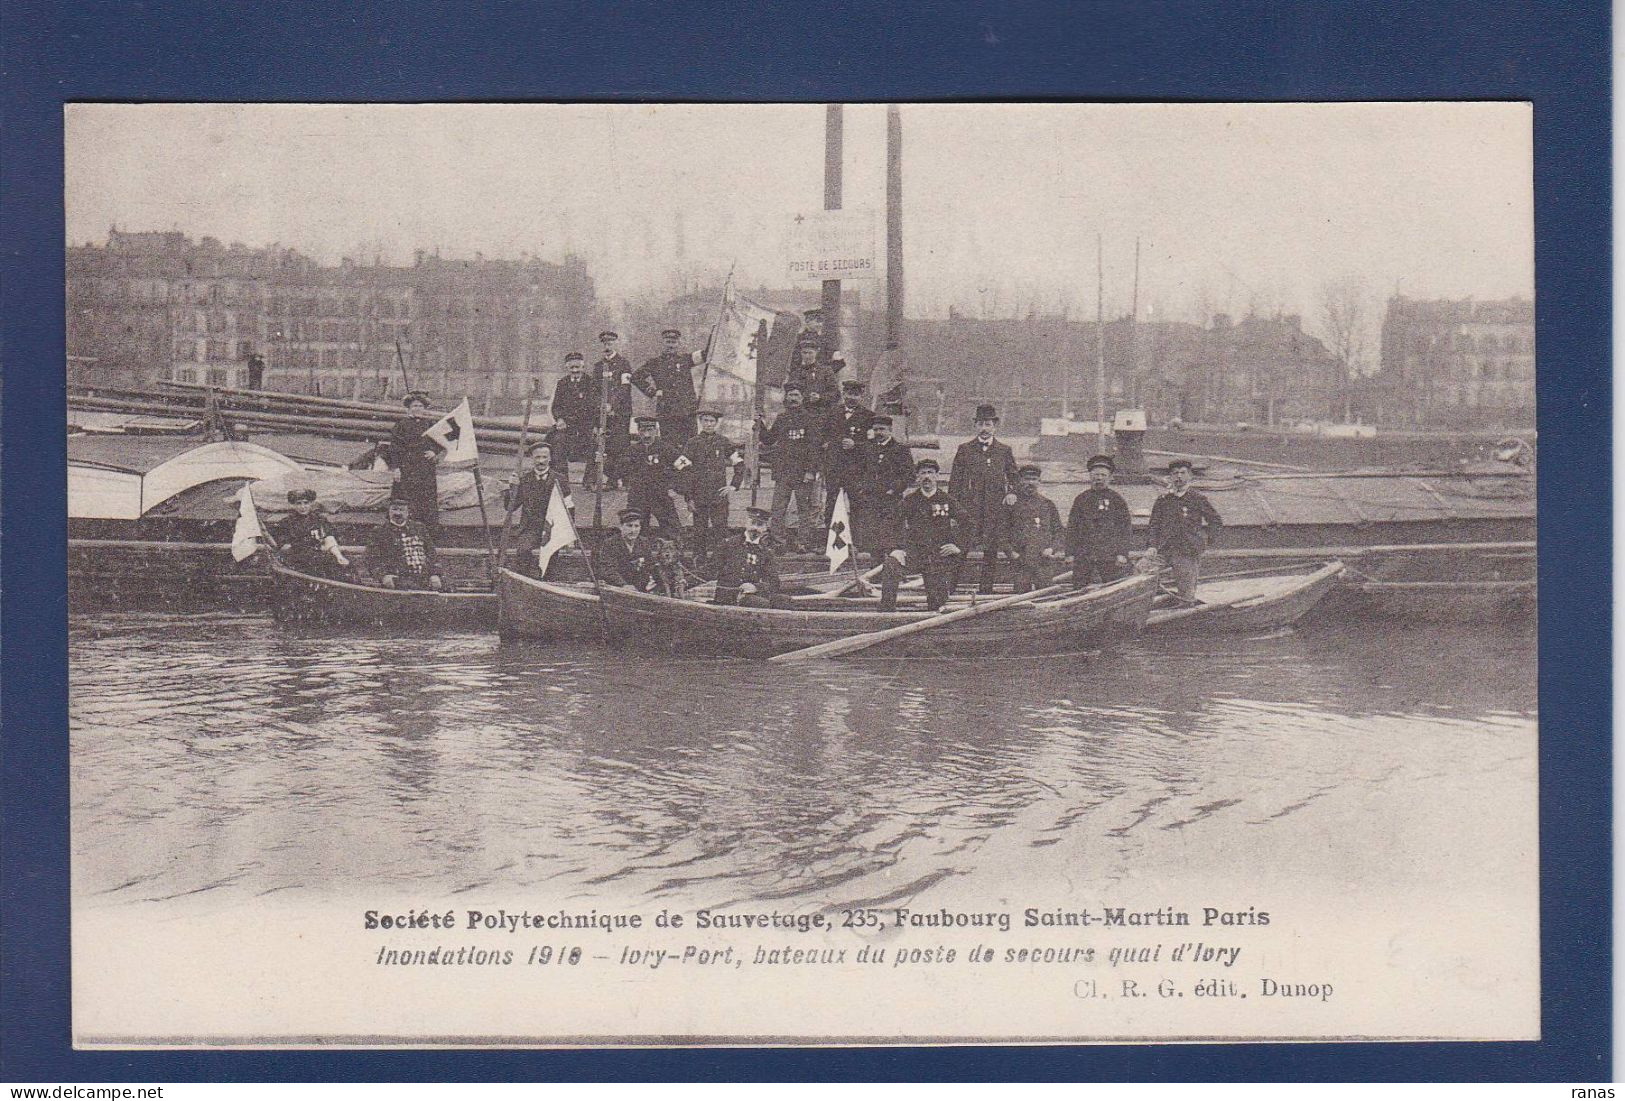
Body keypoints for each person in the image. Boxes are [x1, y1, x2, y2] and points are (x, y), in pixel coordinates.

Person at [948, 403, 1019, 594]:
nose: (984, 429)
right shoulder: (965, 449)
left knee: (990, 551)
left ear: (995, 426)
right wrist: (953, 509)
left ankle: (985, 591)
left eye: (988, 424)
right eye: (980, 424)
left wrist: (1011, 493)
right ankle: (949, 589)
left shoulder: (1004, 450)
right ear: (975, 426)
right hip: (969, 508)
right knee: (961, 548)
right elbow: (955, 481)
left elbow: (1014, 477)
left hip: (994, 509)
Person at [880, 458, 962, 612]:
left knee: (938, 605)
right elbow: (888, 524)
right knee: (891, 564)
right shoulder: (910, 500)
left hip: (939, 555)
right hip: (914, 553)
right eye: (923, 473)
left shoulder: (947, 500)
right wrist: (894, 549)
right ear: (917, 477)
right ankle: (886, 613)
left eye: (930, 473)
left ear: (937, 476)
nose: (926, 477)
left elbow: (968, 524)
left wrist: (957, 546)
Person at [756, 381, 822, 551]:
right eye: (790, 395)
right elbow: (768, 439)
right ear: (786, 397)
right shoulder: (782, 418)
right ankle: (779, 542)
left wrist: (810, 471)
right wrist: (760, 424)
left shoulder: (810, 419)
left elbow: (815, 447)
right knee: (778, 509)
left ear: (802, 398)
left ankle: (803, 543)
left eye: (796, 396)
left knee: (804, 510)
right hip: (783, 472)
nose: (793, 399)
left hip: (802, 473)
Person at [674, 408, 744, 566]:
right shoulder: (693, 443)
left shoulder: (723, 442)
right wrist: (688, 497)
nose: (709, 424)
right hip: (699, 496)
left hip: (719, 495)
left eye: (712, 421)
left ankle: (721, 561)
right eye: (705, 421)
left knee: (720, 530)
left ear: (716, 423)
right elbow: (681, 468)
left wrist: (733, 486)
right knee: (699, 531)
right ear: (700, 422)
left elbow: (739, 464)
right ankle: (699, 560)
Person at [1148, 458, 1224, 605]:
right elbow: (1153, 525)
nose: (1179, 477)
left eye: (1183, 473)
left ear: (1190, 476)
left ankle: (1185, 612)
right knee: (1141, 570)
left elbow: (1215, 521)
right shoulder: (1163, 500)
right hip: (1164, 550)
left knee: (1186, 593)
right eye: (1175, 473)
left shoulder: (1197, 499)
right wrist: (1152, 545)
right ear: (1170, 477)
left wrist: (1205, 540)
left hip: (1187, 551)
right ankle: (1152, 604)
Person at [502, 442, 575, 578]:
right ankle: (527, 579)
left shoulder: (560, 479)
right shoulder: (524, 480)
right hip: (530, 528)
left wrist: (570, 537)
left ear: (550, 458)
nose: (541, 461)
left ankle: (547, 582)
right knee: (523, 551)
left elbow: (569, 507)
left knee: (552, 554)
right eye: (537, 457)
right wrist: (512, 487)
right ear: (531, 458)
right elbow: (510, 507)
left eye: (544, 457)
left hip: (552, 528)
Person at [852, 413, 915, 558]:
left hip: (891, 500)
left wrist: (894, 489)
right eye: (875, 430)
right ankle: (874, 572)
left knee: (892, 539)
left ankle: (892, 572)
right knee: (873, 541)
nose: (878, 433)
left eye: (882, 429)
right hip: (870, 500)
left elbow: (909, 474)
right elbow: (857, 471)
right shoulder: (867, 448)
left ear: (890, 430)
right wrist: (861, 488)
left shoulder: (901, 449)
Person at [1067, 454, 1133, 588]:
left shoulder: (1117, 500)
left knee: (1113, 587)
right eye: (1096, 475)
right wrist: (1069, 553)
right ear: (1090, 476)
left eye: (1103, 475)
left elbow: (1125, 529)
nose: (1099, 479)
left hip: (1109, 554)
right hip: (1084, 553)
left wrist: (1122, 553)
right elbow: (1072, 528)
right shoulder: (1081, 499)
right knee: (1079, 587)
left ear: (1110, 478)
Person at [385, 390, 446, 535]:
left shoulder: (431, 424)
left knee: (426, 499)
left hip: (425, 468)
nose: (417, 408)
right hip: (407, 467)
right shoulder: (401, 425)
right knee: (406, 498)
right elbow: (394, 448)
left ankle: (427, 532)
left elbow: (443, 440)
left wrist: (434, 452)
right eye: (414, 406)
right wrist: (396, 468)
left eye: (420, 406)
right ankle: (403, 529)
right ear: (409, 408)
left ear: (424, 408)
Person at [631, 327, 705, 442]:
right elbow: (636, 377)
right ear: (663, 343)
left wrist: (714, 337)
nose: (671, 345)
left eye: (674, 342)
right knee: (669, 445)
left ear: (678, 343)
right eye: (668, 342)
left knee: (691, 443)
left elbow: (706, 354)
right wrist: (652, 392)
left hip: (687, 410)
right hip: (667, 411)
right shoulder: (655, 363)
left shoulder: (686, 359)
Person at [822, 378, 875, 527]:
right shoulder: (833, 413)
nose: (852, 397)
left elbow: (873, 445)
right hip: (834, 468)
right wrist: (828, 446)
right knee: (831, 502)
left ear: (861, 396)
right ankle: (829, 541)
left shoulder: (869, 416)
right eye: (849, 393)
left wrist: (856, 445)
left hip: (856, 469)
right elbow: (823, 435)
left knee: (857, 504)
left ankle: (856, 542)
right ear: (844, 394)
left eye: (855, 394)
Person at [624, 416, 684, 544]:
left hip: (660, 495)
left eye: (650, 430)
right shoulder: (632, 450)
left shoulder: (666, 449)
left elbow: (685, 468)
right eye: (643, 430)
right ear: (638, 431)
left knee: (672, 531)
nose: (646, 434)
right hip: (638, 496)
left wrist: (674, 487)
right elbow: (619, 470)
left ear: (656, 431)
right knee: (635, 531)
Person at [366, 496, 443, 591]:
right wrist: (383, 576)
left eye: (401, 510)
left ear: (408, 513)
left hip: (424, 579)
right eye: (394, 509)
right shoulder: (379, 531)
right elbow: (372, 559)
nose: (397, 513)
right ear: (389, 512)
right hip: (396, 580)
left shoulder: (419, 528)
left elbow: (431, 554)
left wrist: (435, 574)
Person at [1007, 464, 1064, 593]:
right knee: (1021, 599)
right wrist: (1011, 553)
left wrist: (1052, 548)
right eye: (1026, 479)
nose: (1030, 483)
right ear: (1020, 481)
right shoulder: (1012, 504)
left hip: (1043, 560)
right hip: (1021, 560)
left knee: (1046, 596)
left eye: (1033, 479)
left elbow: (1059, 531)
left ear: (1039, 482)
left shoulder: (1047, 504)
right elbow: (1002, 533)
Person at [713, 506, 784, 607]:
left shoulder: (766, 551)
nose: (755, 528)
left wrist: (755, 587)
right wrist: (686, 582)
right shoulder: (729, 544)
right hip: (728, 597)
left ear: (765, 528)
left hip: (752, 595)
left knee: (785, 600)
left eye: (759, 525)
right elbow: (710, 570)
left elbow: (774, 582)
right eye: (752, 523)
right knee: (763, 604)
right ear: (746, 523)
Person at [270, 488, 350, 576]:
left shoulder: (319, 519)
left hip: (317, 558)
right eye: (298, 503)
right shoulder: (286, 522)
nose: (302, 507)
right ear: (293, 505)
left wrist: (339, 556)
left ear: (311, 503)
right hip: (295, 561)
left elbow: (329, 538)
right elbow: (282, 546)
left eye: (306, 503)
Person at [550, 352, 599, 489]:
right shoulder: (562, 383)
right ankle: (562, 480)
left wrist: (595, 425)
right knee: (557, 442)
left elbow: (596, 407)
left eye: (578, 367)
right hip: (567, 426)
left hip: (586, 426)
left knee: (596, 444)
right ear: (567, 368)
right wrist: (559, 419)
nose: (575, 371)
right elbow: (556, 406)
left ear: (583, 367)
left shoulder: (591, 383)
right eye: (572, 368)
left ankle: (589, 481)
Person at [593, 330, 634, 489]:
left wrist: (612, 404)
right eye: (604, 343)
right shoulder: (598, 367)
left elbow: (624, 388)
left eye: (610, 343)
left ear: (616, 344)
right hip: (604, 412)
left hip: (620, 412)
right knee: (607, 446)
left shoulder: (624, 364)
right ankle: (611, 479)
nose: (607, 346)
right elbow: (595, 389)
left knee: (622, 445)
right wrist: (601, 405)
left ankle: (625, 479)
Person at [595, 508, 661, 592]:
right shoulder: (610, 543)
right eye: (629, 526)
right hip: (617, 588)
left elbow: (649, 565)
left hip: (640, 589)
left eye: (636, 526)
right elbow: (608, 569)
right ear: (621, 526)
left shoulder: (644, 543)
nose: (633, 530)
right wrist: (623, 585)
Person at [785, 340, 840, 415]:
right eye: (804, 353)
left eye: (810, 353)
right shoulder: (795, 373)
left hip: (820, 413)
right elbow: (788, 395)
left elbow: (835, 394)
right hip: (799, 414)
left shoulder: (826, 371)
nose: (807, 356)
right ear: (801, 353)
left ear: (816, 352)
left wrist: (820, 397)